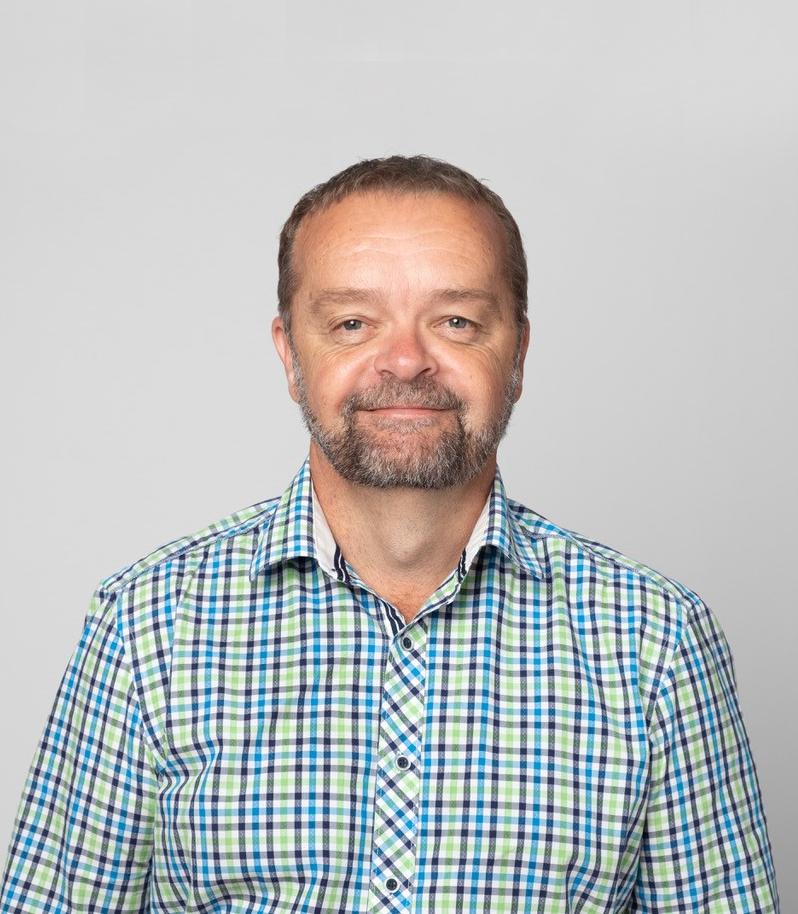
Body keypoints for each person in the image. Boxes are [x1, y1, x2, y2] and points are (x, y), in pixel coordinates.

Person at [0, 155, 779, 913]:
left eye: (456, 321)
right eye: (352, 323)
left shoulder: (657, 642)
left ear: (517, 354)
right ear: (290, 355)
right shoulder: (147, 627)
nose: (405, 361)